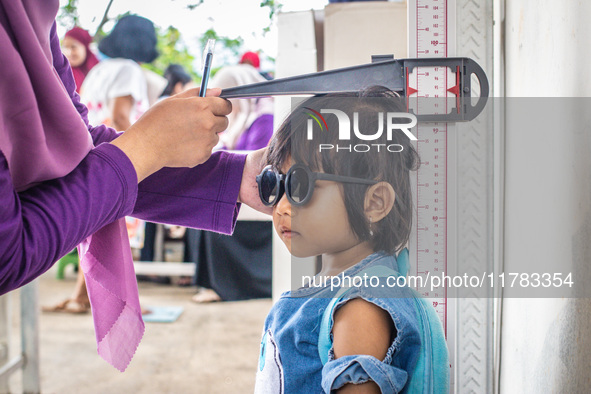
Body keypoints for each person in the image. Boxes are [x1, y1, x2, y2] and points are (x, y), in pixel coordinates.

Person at [0, 2, 267, 372]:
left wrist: (238, 176)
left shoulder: (34, 15)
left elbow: (78, 144)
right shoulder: (124, 70)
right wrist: (149, 144)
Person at [253, 88, 449, 392]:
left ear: (374, 202)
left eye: (301, 185)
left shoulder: (361, 305)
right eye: (275, 183)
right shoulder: (338, 290)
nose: (281, 207)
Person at [43, 15, 165, 313]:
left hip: (89, 154)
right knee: (121, 231)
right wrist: (142, 155)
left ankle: (81, 297)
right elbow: (121, 115)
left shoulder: (99, 70)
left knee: (100, 230)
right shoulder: (129, 70)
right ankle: (119, 304)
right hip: (118, 154)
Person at [187, 64, 274, 302]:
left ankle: (224, 287)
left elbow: (259, 158)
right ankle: (210, 282)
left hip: (257, 197)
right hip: (240, 188)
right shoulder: (241, 119)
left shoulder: (265, 118)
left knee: (215, 212)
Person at [61, 26, 99, 93]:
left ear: (85, 47)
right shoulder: (63, 73)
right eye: (65, 47)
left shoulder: (98, 70)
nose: (69, 53)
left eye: (73, 47)